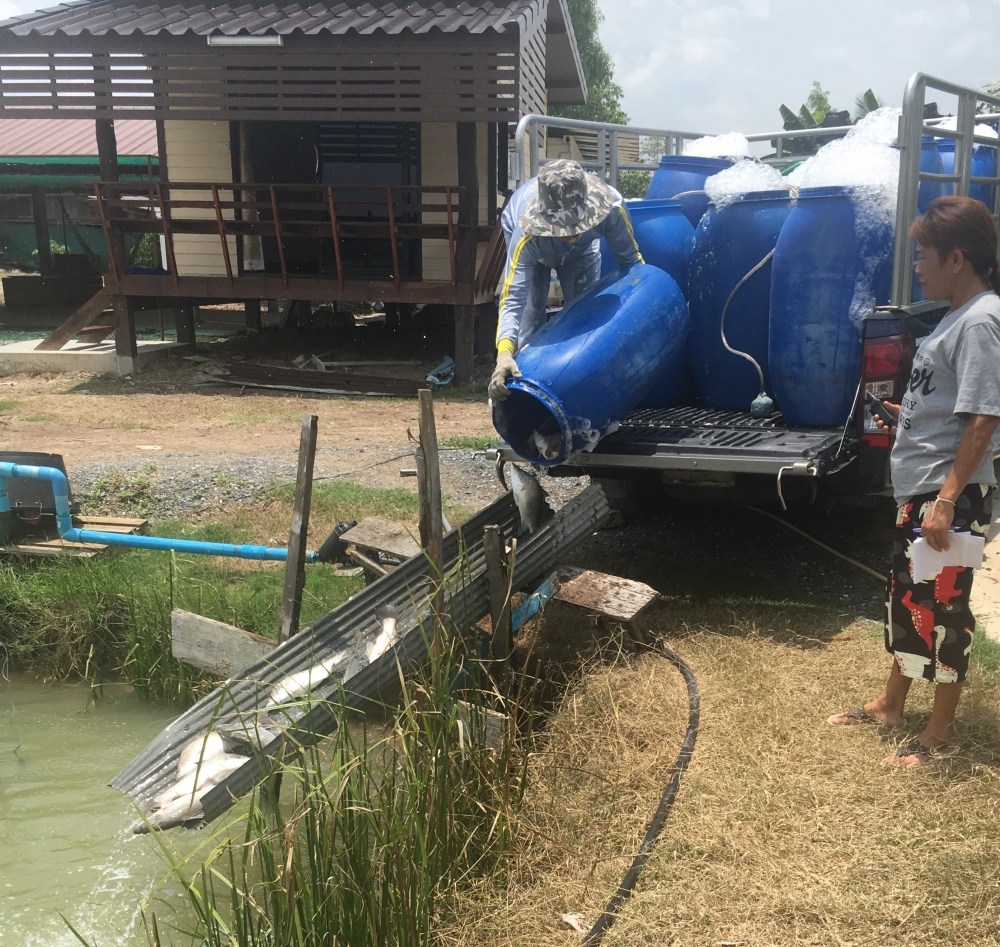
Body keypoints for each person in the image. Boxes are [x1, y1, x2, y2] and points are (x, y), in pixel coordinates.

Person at [828, 195, 1000, 767]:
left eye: (924, 254)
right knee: (909, 602)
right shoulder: (956, 317)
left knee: (945, 611)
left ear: (957, 258)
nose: (918, 266)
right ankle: (891, 705)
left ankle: (940, 731)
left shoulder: (981, 320)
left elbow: (985, 417)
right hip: (924, 490)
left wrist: (947, 501)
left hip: (947, 496)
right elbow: (954, 406)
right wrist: (911, 415)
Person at [488, 159, 644, 402]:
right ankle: (528, 395)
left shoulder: (611, 208)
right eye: (560, 228)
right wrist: (504, 354)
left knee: (583, 316)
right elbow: (512, 299)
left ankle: (580, 393)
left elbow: (632, 265)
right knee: (530, 320)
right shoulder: (526, 234)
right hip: (536, 248)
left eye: (575, 226)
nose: (567, 235)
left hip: (582, 254)